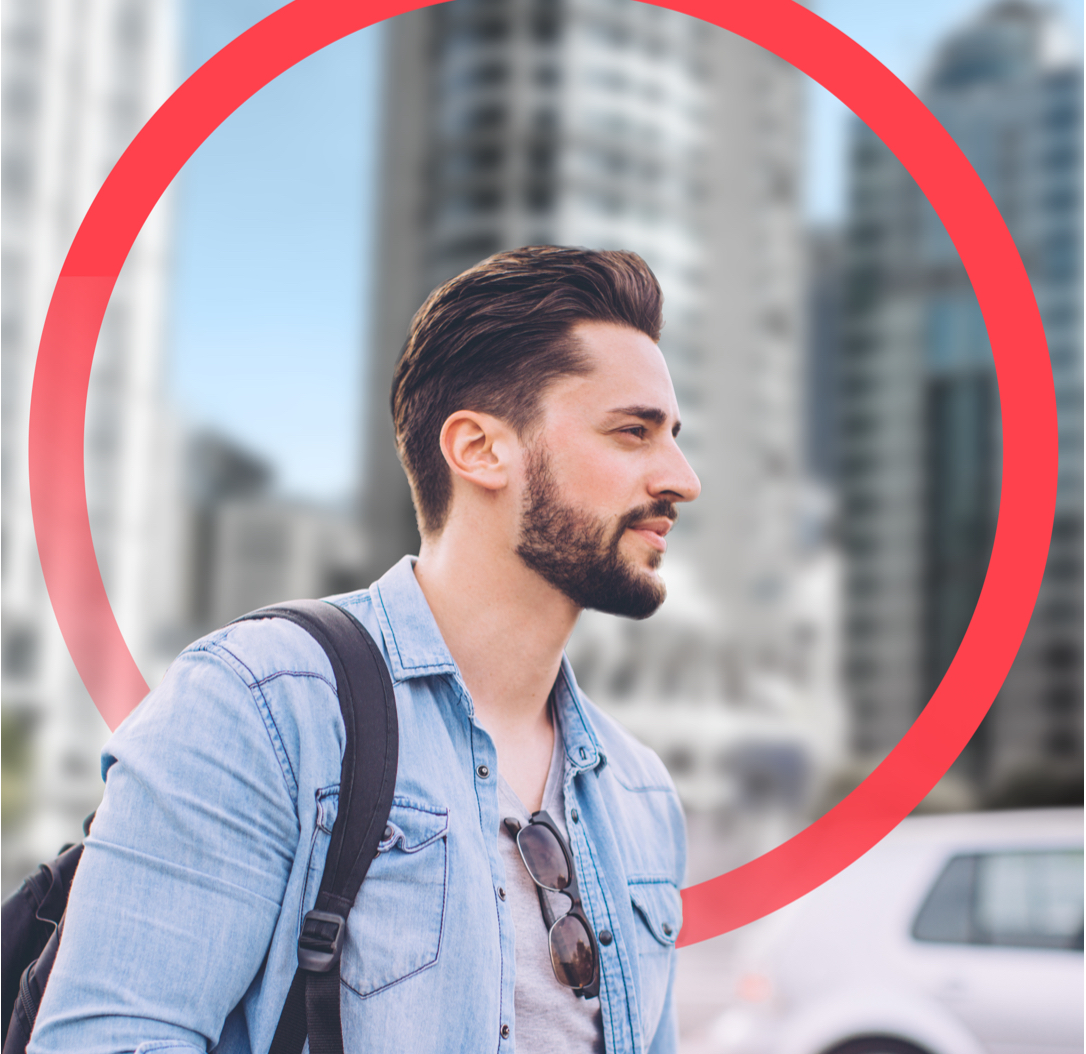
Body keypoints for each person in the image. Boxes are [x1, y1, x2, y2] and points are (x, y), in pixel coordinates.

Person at [30, 246, 702, 1054]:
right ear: (481, 449)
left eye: (673, 437)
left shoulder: (641, 795)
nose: (681, 477)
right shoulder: (262, 707)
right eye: (633, 432)